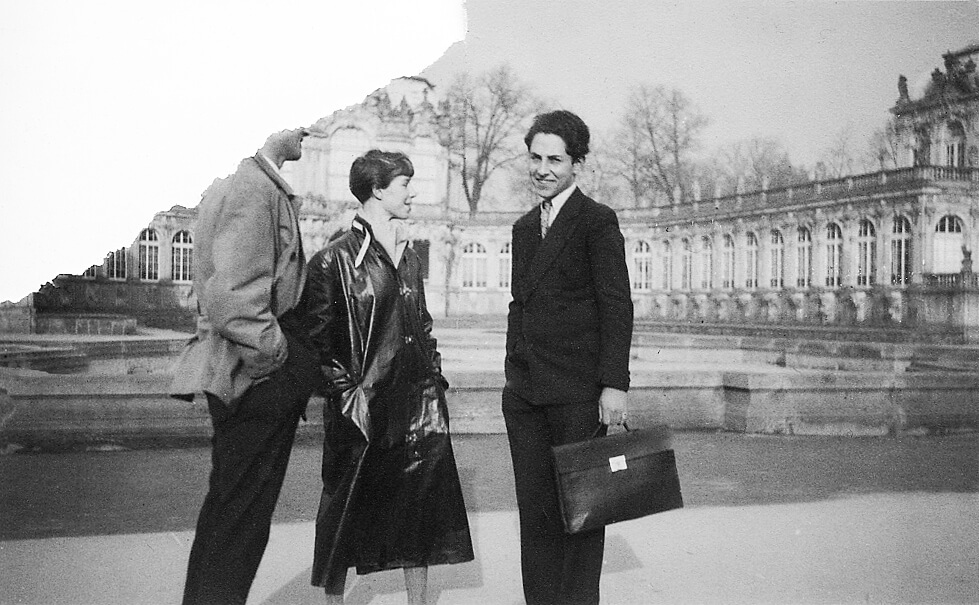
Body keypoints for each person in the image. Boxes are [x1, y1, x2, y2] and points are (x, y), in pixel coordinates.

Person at [302, 149, 474, 605]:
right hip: (363, 410)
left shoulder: (409, 255)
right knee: (343, 514)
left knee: (418, 513)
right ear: (377, 191)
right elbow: (316, 344)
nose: (413, 192)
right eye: (403, 185)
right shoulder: (331, 261)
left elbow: (423, 325)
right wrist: (346, 397)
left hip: (417, 407)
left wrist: (434, 379)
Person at [169, 127, 321, 605]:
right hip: (251, 377)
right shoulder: (253, 185)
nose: (307, 129)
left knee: (231, 518)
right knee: (239, 523)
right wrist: (277, 358)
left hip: (244, 373)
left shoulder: (245, 179)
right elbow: (235, 298)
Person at [503, 110, 634, 605]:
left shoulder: (596, 221)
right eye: (535, 157)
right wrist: (513, 372)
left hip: (578, 394)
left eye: (554, 159)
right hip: (527, 396)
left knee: (581, 517)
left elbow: (616, 305)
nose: (542, 168)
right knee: (535, 519)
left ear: (577, 163)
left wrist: (614, 384)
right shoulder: (522, 228)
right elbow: (521, 305)